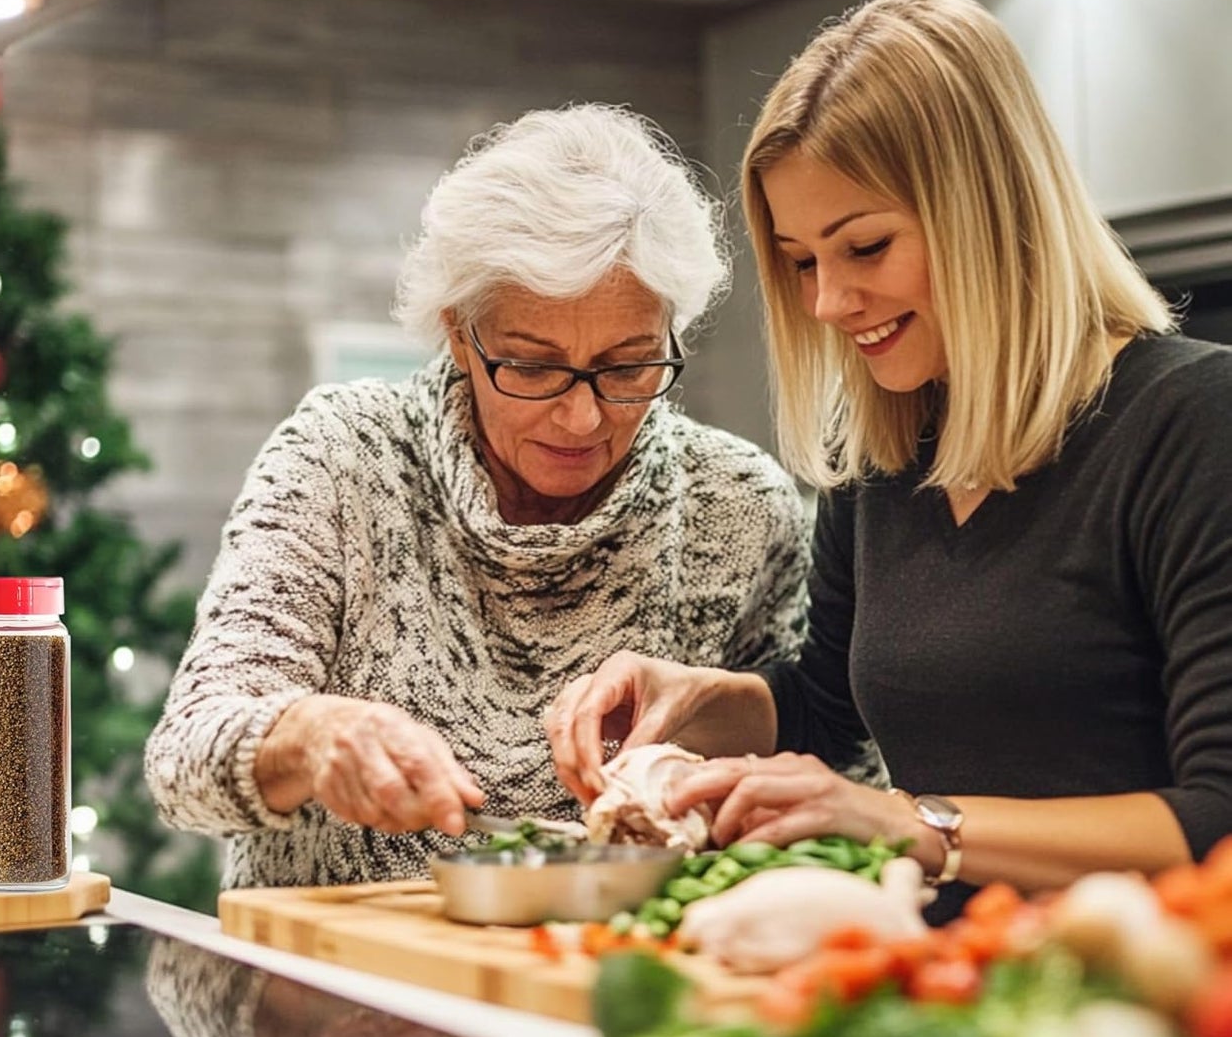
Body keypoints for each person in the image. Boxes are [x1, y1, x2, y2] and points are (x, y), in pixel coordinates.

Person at [547, 0, 1232, 922]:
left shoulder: (1194, 420)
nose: (828, 301)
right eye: (800, 260)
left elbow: (1216, 819)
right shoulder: (883, 453)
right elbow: (827, 705)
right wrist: (690, 700)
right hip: (941, 977)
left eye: (864, 246)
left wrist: (916, 824)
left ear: (986, 210)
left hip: (1146, 1008)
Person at [145, 104, 809, 889]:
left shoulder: (737, 503)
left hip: (617, 985)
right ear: (460, 333)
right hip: (330, 987)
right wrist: (309, 735)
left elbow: (827, 780)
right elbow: (184, 759)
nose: (581, 415)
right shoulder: (343, 456)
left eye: (628, 366)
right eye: (533, 366)